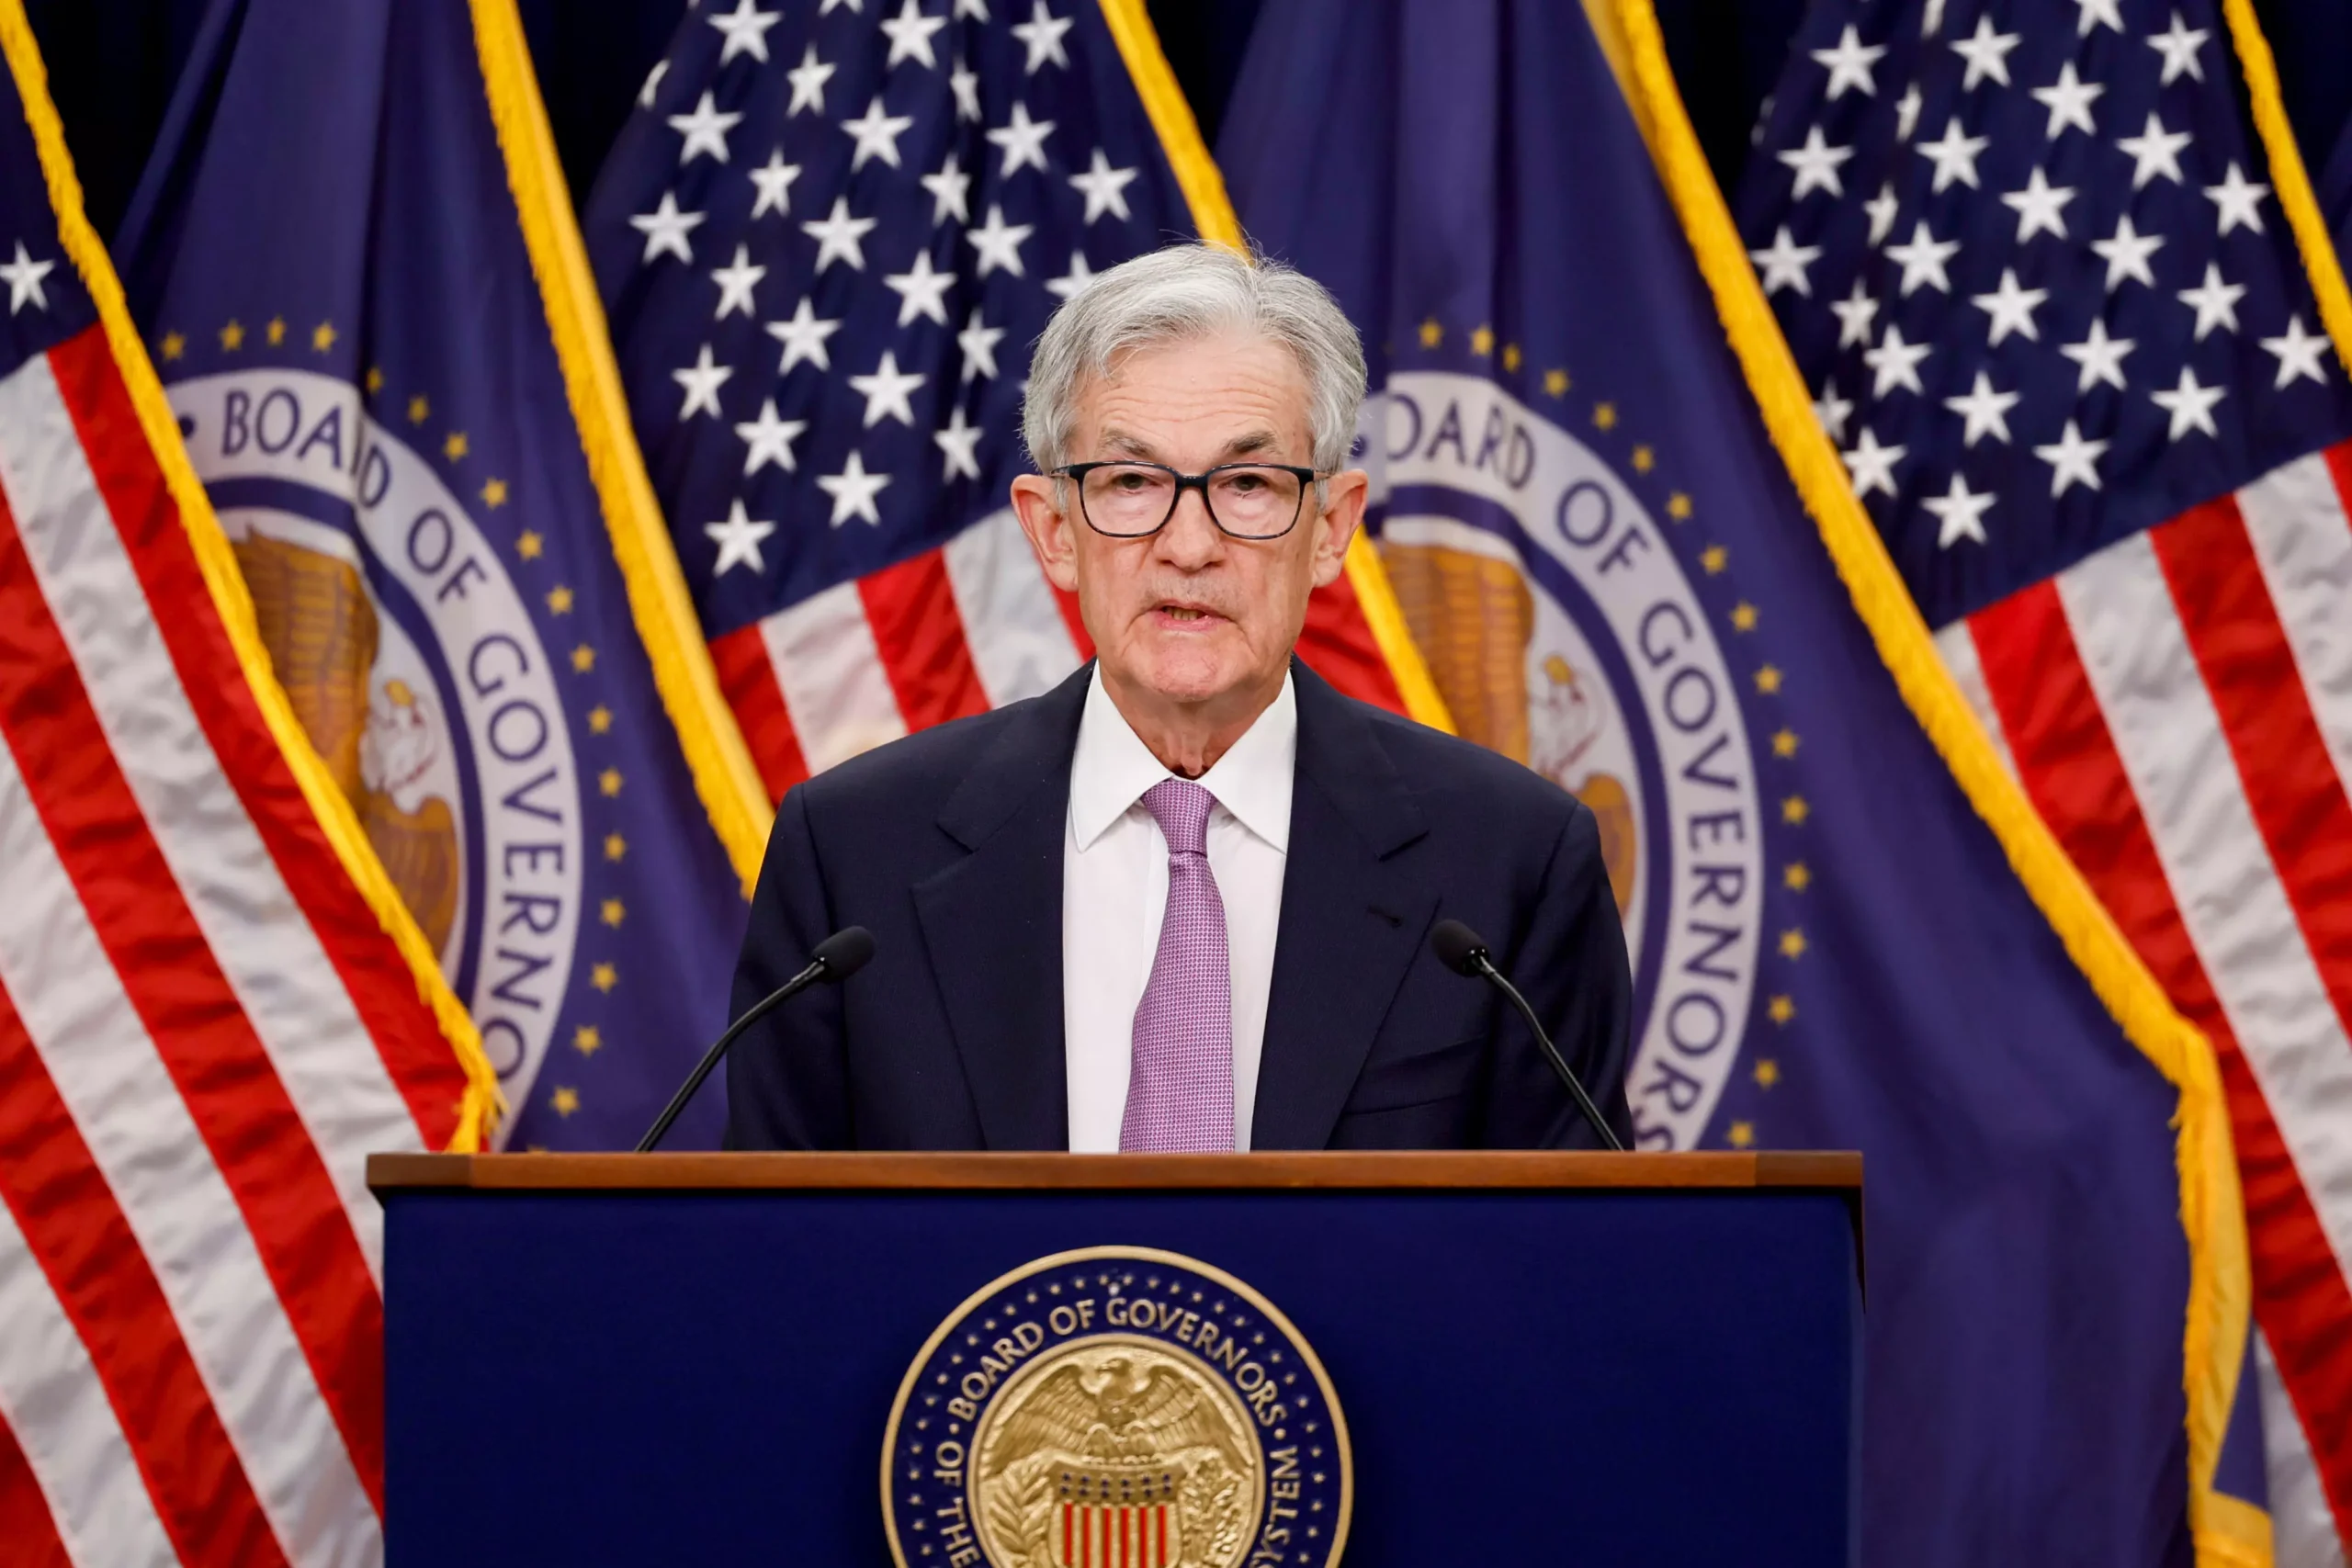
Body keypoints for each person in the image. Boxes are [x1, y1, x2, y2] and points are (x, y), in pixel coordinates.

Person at [725, 243, 1633, 1151]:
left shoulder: (1510, 865)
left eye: (1247, 484)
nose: (1189, 546)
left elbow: (1570, 1234)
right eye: (1131, 482)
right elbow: (774, 1231)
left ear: (1330, 527)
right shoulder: (854, 856)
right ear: (1053, 531)